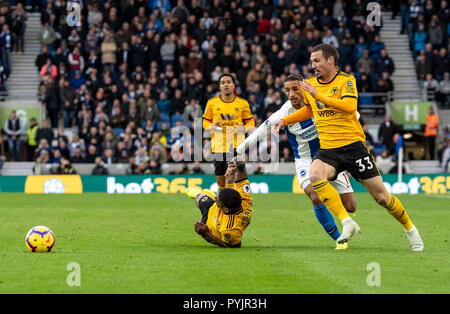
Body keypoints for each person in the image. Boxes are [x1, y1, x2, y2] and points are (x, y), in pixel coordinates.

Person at [272, 43, 423, 251]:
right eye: (311, 61)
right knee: (315, 175)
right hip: (328, 149)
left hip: (353, 147)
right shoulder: (310, 84)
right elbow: (310, 110)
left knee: (381, 197)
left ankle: (410, 229)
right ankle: (347, 222)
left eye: (317, 60)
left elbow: (349, 107)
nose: (313, 65)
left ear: (330, 60)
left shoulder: (346, 81)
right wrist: (286, 121)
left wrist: (318, 95)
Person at [237, 74, 356, 249]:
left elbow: (350, 112)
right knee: (315, 195)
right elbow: (260, 131)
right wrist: (237, 151)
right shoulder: (284, 112)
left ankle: (335, 202)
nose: (291, 93)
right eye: (287, 90)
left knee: (351, 206)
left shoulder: (319, 101)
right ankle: (340, 240)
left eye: (295, 89)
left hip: (330, 157)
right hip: (305, 160)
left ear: (304, 88)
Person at [202, 73, 255, 190]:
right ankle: (223, 199)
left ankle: (229, 204)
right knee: (220, 182)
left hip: (236, 145)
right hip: (218, 145)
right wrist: (212, 126)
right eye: (223, 83)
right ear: (220, 86)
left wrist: (244, 129)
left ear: (233, 85)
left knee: (230, 176)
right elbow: (205, 123)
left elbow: (251, 123)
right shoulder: (212, 103)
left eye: (228, 82)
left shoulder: (242, 103)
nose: (226, 85)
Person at [185, 158, 253, 248]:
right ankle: (200, 194)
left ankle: (201, 194)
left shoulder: (231, 230)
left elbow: (233, 246)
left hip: (210, 226)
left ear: (225, 209)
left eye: (217, 199)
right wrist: (241, 165)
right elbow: (242, 178)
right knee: (200, 197)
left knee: (202, 198)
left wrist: (205, 233)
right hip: (215, 209)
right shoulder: (245, 199)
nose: (215, 198)